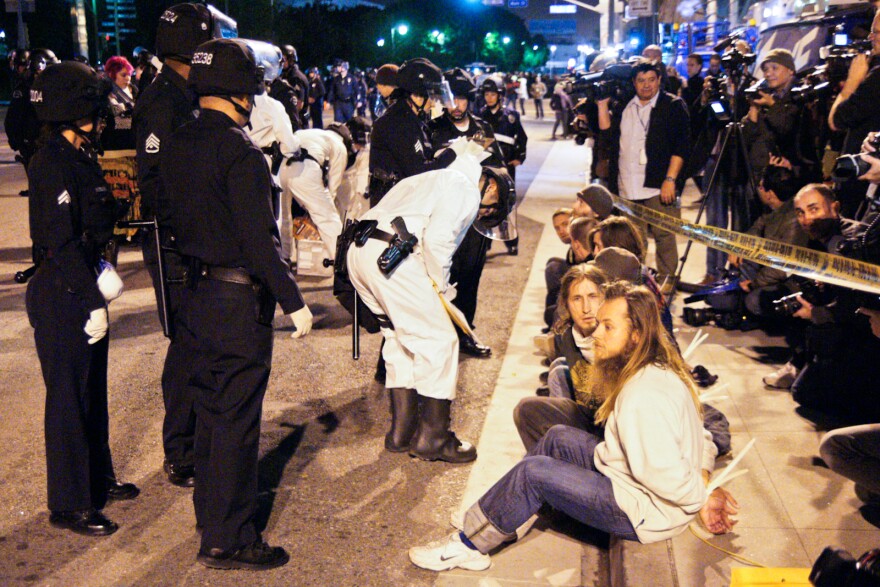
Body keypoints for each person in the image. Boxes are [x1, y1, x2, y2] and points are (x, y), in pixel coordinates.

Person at [409, 281, 737, 572]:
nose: (597, 334)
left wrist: (700, 497)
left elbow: (667, 475)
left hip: (644, 512)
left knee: (533, 472)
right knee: (558, 437)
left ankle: (467, 547)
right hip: (633, 485)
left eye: (608, 327)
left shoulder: (643, 396)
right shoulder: (656, 366)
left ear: (635, 335)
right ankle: (501, 513)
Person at [162, 38, 313, 571]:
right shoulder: (239, 151)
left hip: (194, 291)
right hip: (234, 298)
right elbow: (259, 238)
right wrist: (294, 301)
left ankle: (212, 515)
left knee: (207, 414)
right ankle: (229, 536)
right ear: (244, 94)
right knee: (234, 421)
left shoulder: (178, 142)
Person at [26, 61, 139, 537]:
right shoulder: (51, 160)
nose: (102, 116)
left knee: (93, 392)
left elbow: (92, 220)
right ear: (74, 110)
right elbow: (59, 241)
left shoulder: (79, 153)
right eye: (94, 108)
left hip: (83, 281)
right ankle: (69, 503)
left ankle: (98, 477)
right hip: (62, 292)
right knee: (69, 399)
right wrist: (92, 298)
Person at [346, 144, 514, 464]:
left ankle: (402, 432)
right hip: (393, 256)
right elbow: (438, 242)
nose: (485, 213)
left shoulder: (431, 178)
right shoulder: (465, 186)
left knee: (399, 338)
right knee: (440, 339)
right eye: (491, 207)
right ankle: (434, 439)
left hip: (359, 252)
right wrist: (441, 292)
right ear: (490, 184)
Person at [132, 2, 217, 489]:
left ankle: (194, 438)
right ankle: (180, 449)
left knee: (201, 339)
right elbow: (156, 180)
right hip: (173, 241)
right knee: (186, 345)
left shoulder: (187, 93)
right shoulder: (163, 99)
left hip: (194, 235)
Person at [598, 59, 690, 290]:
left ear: (659, 80)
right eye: (641, 81)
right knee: (632, 239)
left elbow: (681, 147)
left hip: (658, 185)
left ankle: (667, 282)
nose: (646, 85)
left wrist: (670, 180)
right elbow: (607, 136)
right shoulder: (624, 106)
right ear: (634, 83)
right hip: (627, 185)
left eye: (651, 80)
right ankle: (636, 282)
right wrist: (601, 105)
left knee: (665, 236)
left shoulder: (673, 105)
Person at [430, 67, 501, 358]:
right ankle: (439, 335)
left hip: (475, 219)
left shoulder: (482, 129)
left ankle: (465, 333)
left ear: (469, 101)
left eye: (461, 100)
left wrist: (494, 196)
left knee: (471, 278)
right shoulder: (434, 129)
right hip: (442, 219)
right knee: (441, 278)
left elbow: (498, 167)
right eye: (451, 99)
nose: (455, 106)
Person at [368, 57, 457, 207]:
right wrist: (453, 153)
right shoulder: (396, 122)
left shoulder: (410, 117)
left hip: (402, 201)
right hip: (390, 211)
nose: (433, 102)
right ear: (416, 96)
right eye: (430, 97)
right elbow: (418, 170)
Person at [727, 165, 808, 317]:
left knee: (753, 301)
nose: (758, 190)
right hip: (768, 270)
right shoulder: (773, 210)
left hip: (790, 280)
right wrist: (738, 247)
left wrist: (753, 285)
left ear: (769, 194)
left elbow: (781, 268)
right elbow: (754, 231)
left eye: (760, 186)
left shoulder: (793, 220)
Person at [828, 10, 880, 217]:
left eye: (876, 32)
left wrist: (852, 81)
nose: (870, 37)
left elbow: (837, 120)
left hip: (862, 190)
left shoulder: (877, 78)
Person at [480, 76, 527, 255]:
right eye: (486, 94)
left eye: (492, 94)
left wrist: (519, 158)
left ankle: (511, 242)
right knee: (485, 206)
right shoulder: (479, 116)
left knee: (507, 205)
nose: (489, 98)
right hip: (486, 170)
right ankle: (486, 243)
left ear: (499, 95)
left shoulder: (511, 117)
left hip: (506, 169)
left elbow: (522, 139)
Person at [102, 56, 137, 150]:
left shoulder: (134, 90)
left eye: (129, 74)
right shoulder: (105, 94)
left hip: (134, 142)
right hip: (115, 144)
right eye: (123, 75)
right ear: (111, 74)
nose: (128, 78)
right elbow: (121, 122)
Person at [280, 44, 309, 127]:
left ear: (291, 60)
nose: (281, 62)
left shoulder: (296, 78)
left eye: (283, 59)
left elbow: (299, 104)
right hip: (289, 118)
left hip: (297, 121)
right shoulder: (285, 75)